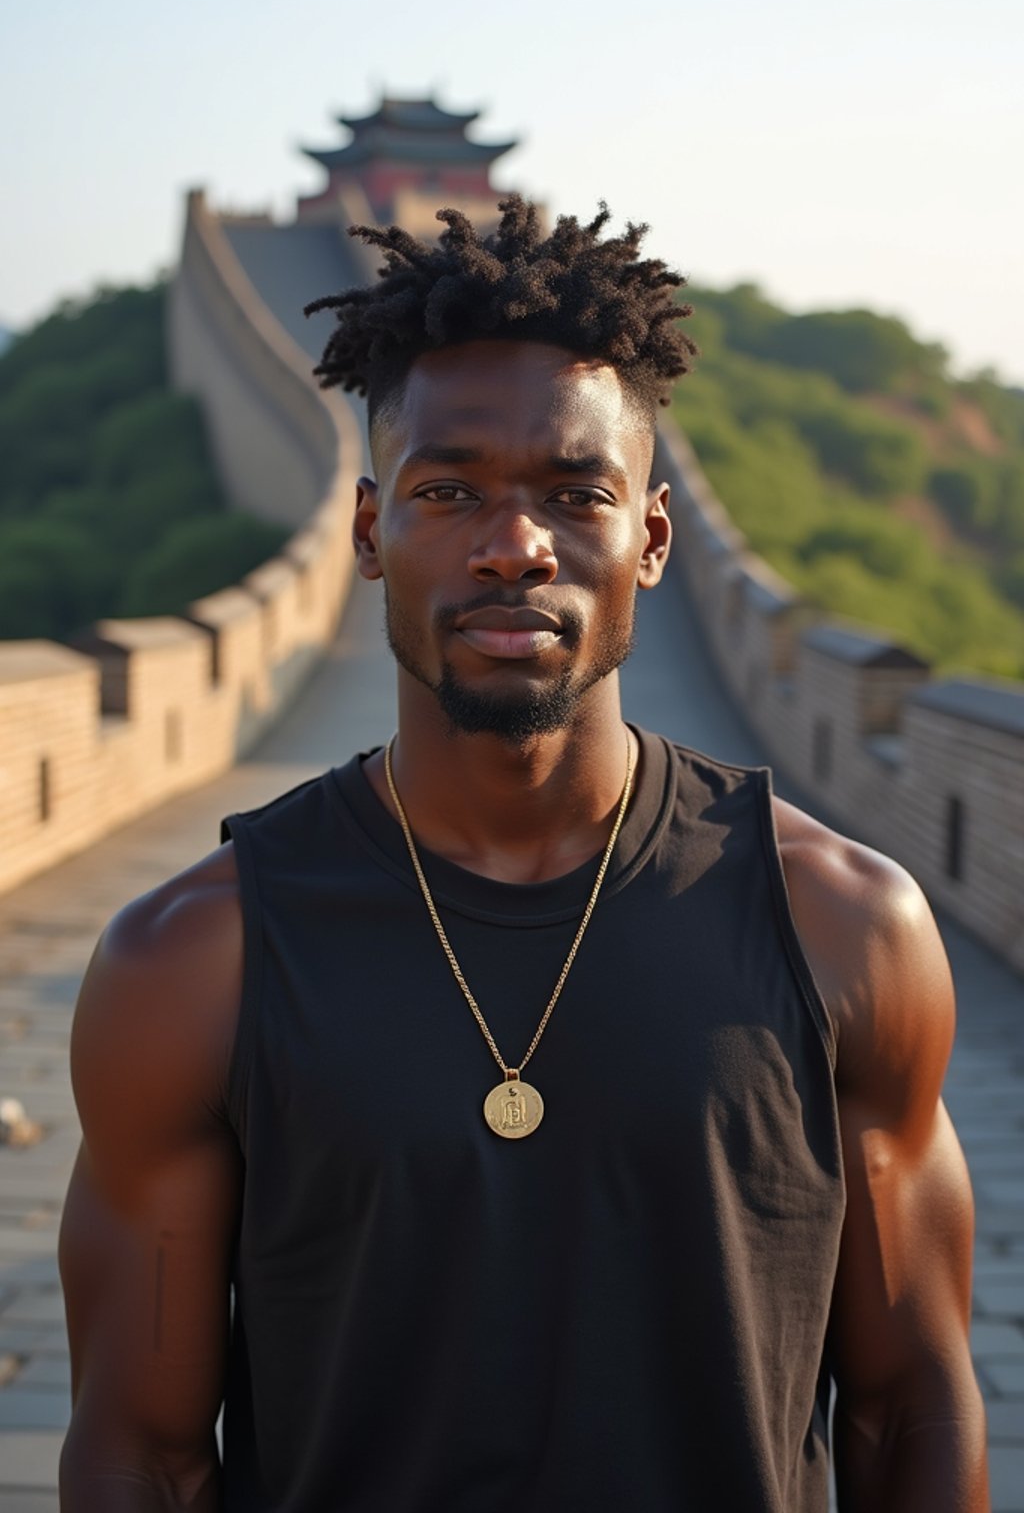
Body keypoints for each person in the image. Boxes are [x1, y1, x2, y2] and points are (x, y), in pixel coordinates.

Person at [59, 197, 988, 1511]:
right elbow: (140, 1453)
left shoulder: (841, 926)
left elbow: (913, 1407)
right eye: (451, 493)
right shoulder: (192, 957)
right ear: (371, 534)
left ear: (652, 538)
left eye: (574, 493)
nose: (515, 547)